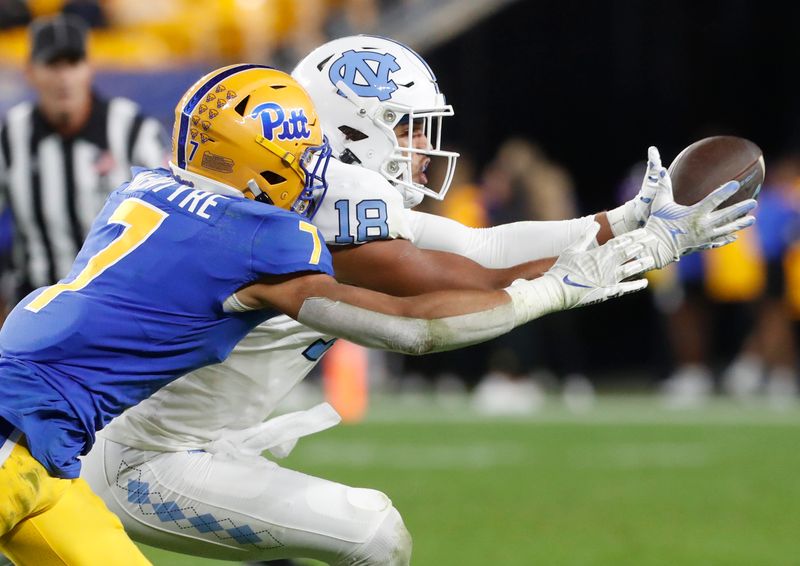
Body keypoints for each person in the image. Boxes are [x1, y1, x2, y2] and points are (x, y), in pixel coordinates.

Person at [78, 37, 758, 565]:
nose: (423, 148)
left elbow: (481, 250)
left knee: (301, 542)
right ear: (350, 129)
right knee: (373, 534)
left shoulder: (304, 186)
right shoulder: (326, 204)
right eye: (406, 127)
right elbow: (443, 299)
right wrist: (633, 258)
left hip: (173, 438)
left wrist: (626, 220)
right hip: (146, 458)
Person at [0, 14, 168, 307]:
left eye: (73, 63)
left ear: (89, 68)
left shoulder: (134, 131)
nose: (64, 78)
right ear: (30, 72)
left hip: (121, 303)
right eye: (52, 65)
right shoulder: (10, 137)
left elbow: (173, 221)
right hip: (36, 308)